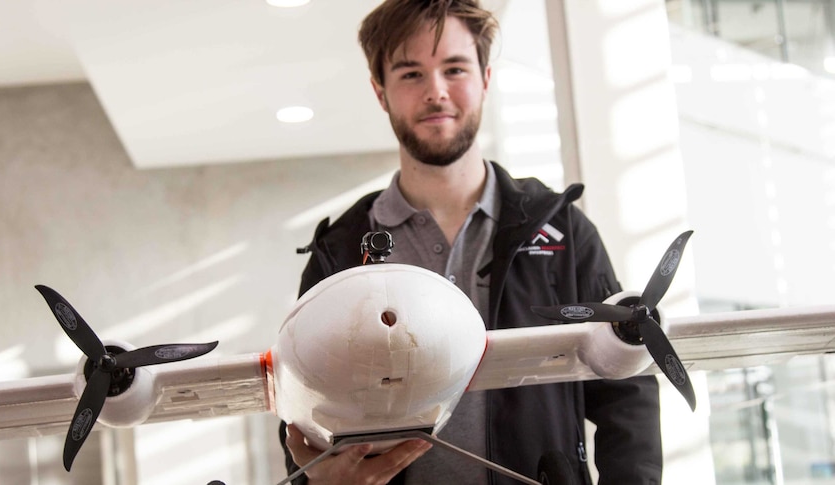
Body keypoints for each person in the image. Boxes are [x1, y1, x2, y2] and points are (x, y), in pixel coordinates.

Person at [279, 0, 663, 483]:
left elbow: (627, 388)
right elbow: (300, 402)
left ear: (485, 77)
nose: (435, 92)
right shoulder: (338, 252)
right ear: (381, 92)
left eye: (454, 68)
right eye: (411, 74)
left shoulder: (564, 231)